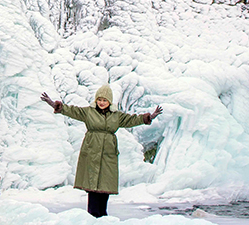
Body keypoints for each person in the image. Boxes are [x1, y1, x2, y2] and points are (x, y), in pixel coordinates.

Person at [41, 84, 162, 218]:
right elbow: (73, 111)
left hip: (108, 153)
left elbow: (132, 119)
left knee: (105, 184)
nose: (101, 102)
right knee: (93, 184)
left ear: (109, 101)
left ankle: (103, 215)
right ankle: (93, 215)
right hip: (92, 149)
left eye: (104, 100)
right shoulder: (89, 112)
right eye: (99, 100)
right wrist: (55, 105)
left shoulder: (116, 116)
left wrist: (148, 117)